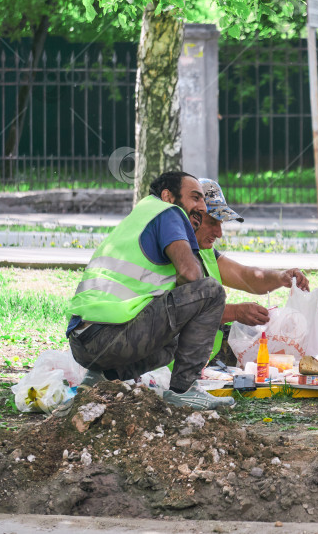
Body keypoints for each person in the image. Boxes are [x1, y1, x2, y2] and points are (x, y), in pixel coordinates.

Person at [66, 171, 233, 410]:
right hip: (108, 337)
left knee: (174, 337)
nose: (203, 207)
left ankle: (101, 377)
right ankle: (184, 390)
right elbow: (191, 276)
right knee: (211, 291)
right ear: (168, 196)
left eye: (204, 201)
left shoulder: (141, 216)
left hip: (83, 344)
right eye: (196, 198)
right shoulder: (169, 213)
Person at [193, 178, 310, 366]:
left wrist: (281, 277)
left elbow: (248, 277)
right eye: (212, 222)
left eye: (221, 223)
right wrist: (235, 312)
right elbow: (181, 312)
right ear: (192, 216)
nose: (219, 233)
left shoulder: (204, 251)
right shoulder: (173, 252)